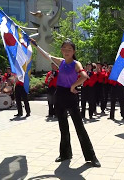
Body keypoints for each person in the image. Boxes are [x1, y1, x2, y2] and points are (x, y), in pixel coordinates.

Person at [31, 39, 101, 167]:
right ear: (61, 50)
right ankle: (65, 154)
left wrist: (73, 86)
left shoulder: (76, 64)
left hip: (71, 96)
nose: (66, 51)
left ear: (73, 51)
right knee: (63, 127)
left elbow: (84, 76)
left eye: (69, 49)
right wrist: (36, 45)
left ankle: (91, 157)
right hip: (60, 95)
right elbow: (47, 55)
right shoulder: (61, 62)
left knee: (79, 127)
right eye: (64, 49)